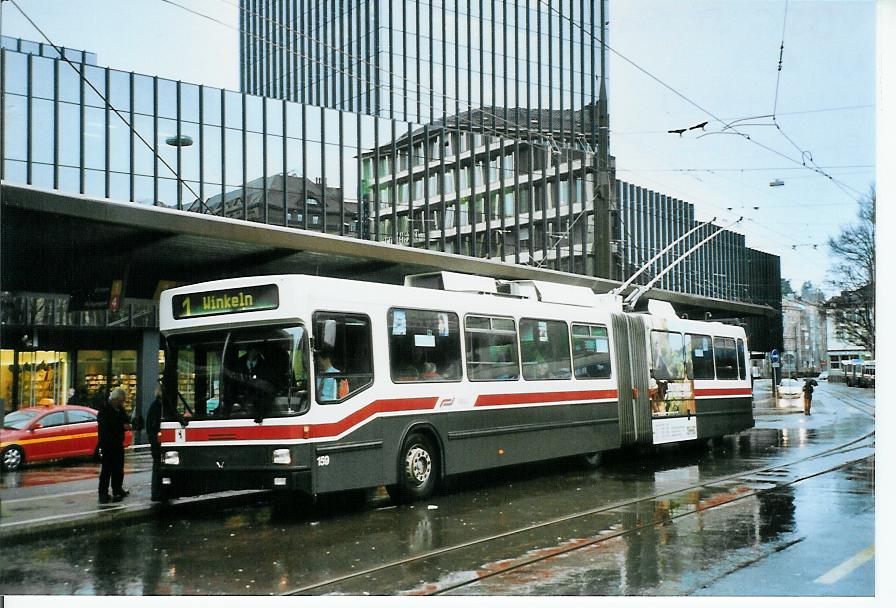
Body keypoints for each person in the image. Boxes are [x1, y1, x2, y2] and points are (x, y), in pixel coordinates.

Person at [97, 387, 131, 503]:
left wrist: (128, 424)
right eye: (122, 400)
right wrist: (122, 426)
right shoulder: (105, 410)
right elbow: (107, 426)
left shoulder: (120, 409)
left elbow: (126, 420)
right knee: (107, 469)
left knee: (118, 468)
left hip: (118, 442)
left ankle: (117, 489)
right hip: (108, 443)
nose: (122, 403)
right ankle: (103, 492)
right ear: (116, 399)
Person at [145, 385, 164, 501]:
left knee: (158, 465)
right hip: (157, 441)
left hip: (156, 440)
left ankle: (157, 491)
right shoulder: (157, 407)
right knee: (157, 465)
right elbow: (153, 425)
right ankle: (156, 492)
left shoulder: (156, 406)